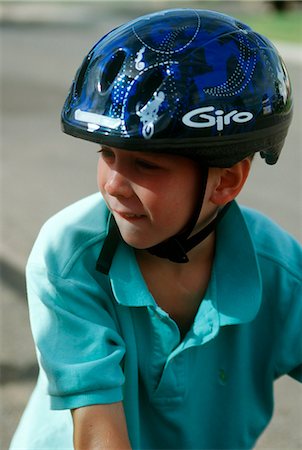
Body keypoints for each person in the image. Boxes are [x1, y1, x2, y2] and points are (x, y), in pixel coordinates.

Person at [10, 8, 301, 450]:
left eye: (145, 165)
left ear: (227, 180)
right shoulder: (69, 257)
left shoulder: (280, 272)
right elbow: (96, 436)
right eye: (106, 154)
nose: (113, 186)